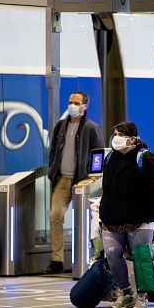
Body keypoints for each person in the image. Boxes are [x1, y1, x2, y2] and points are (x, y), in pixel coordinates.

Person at [98, 121, 154, 308]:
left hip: (140, 218)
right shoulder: (110, 158)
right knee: (112, 255)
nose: (116, 138)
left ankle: (143, 296)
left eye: (120, 135)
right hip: (112, 219)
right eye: (115, 134)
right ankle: (126, 293)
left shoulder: (146, 159)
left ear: (132, 139)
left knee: (141, 258)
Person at [46, 91, 104, 274]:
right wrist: (52, 168)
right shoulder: (60, 126)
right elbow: (54, 150)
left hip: (83, 182)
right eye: (70, 102)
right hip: (62, 180)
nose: (72, 105)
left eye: (76, 102)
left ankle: (89, 259)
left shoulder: (91, 128)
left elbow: (99, 155)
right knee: (55, 215)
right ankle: (57, 260)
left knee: (88, 222)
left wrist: (93, 179)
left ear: (85, 106)